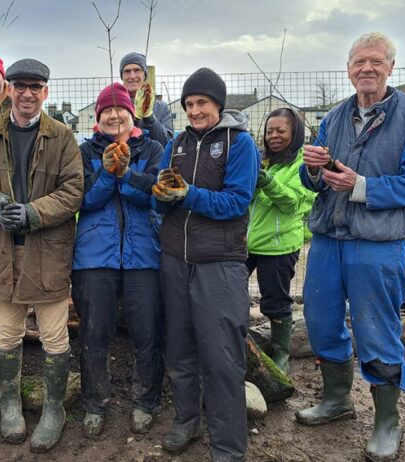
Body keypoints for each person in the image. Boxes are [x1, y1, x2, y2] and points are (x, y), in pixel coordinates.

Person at [295, 32, 405, 461]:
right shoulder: (335, 117)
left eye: (376, 61)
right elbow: (312, 183)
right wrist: (314, 171)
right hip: (327, 239)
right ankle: (337, 400)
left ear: (391, 67)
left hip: (376, 244)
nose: (367, 69)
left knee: (377, 331)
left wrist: (362, 187)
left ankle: (386, 422)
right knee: (320, 321)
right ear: (348, 69)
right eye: (359, 62)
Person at [0, 58, 83, 453]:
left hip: (47, 252)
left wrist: (33, 212)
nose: (27, 93)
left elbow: (73, 189)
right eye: (20, 85)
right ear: (8, 89)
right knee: (6, 332)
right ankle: (9, 402)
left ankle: (53, 409)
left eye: (36, 86)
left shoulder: (62, 136)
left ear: (45, 92)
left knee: (53, 336)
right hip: (0, 252)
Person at [151, 68, 259, 461]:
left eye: (202, 103)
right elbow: (159, 199)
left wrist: (187, 195)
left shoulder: (239, 143)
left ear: (218, 104)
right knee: (179, 349)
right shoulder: (176, 143)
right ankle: (186, 422)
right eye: (189, 104)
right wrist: (161, 196)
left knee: (222, 358)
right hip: (175, 261)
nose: (195, 110)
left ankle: (228, 446)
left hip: (220, 263)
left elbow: (236, 202)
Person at [72, 83, 164, 439]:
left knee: (147, 334)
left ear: (131, 113)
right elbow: (82, 200)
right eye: (105, 111)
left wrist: (126, 174)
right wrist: (107, 173)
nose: (113, 115)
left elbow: (157, 196)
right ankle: (95, 403)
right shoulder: (84, 151)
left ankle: (146, 402)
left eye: (119, 109)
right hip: (95, 257)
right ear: (97, 118)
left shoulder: (153, 148)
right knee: (95, 334)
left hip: (144, 256)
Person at [246, 107, 315, 373]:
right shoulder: (263, 160)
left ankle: (280, 356)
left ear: (294, 133)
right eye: (269, 131)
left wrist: (265, 182)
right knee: (230, 290)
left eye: (281, 131)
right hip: (247, 242)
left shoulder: (303, 165)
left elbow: (293, 202)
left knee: (275, 301)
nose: (273, 136)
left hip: (278, 245)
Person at [119, 52, 174, 148]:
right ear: (122, 76)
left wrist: (149, 117)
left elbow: (166, 144)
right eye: (127, 71)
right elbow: (115, 142)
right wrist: (135, 119)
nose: (132, 76)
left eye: (137, 70)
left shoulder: (161, 108)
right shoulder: (114, 106)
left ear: (145, 75)